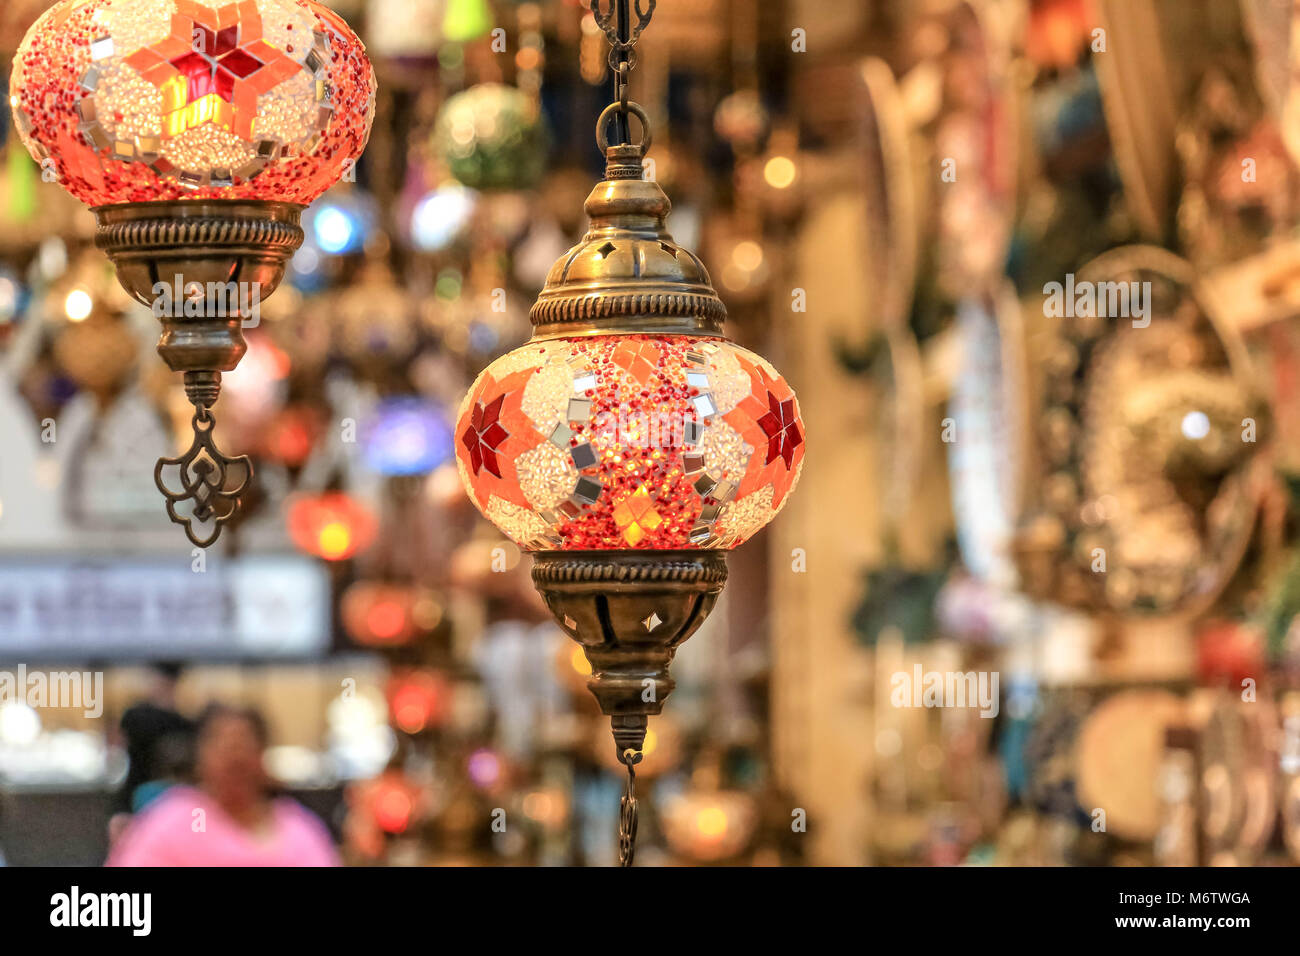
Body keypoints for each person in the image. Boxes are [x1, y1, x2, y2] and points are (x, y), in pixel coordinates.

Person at [108, 703, 339, 867]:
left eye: (244, 744)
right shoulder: (168, 822)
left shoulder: (299, 829)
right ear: (200, 758)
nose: (234, 756)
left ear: (262, 756)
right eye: (223, 746)